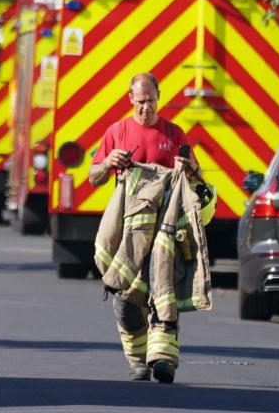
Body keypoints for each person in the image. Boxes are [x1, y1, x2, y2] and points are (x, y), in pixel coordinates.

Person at [89, 72, 200, 384]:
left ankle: (164, 359)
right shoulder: (117, 131)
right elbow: (93, 176)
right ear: (130, 100)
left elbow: (196, 177)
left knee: (164, 292)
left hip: (166, 231)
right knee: (126, 299)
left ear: (159, 98)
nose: (145, 108)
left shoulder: (175, 133)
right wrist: (108, 162)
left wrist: (189, 168)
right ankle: (138, 361)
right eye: (140, 102)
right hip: (130, 232)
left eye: (150, 101)